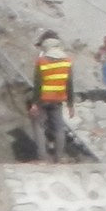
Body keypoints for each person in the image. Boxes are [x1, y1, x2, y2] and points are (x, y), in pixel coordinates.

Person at [30, 32, 75, 161]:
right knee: (59, 128)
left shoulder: (42, 61)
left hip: (43, 99)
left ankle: (42, 157)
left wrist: (34, 103)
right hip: (58, 99)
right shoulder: (67, 61)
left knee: (39, 126)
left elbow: (37, 84)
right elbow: (69, 84)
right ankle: (59, 157)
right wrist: (71, 105)